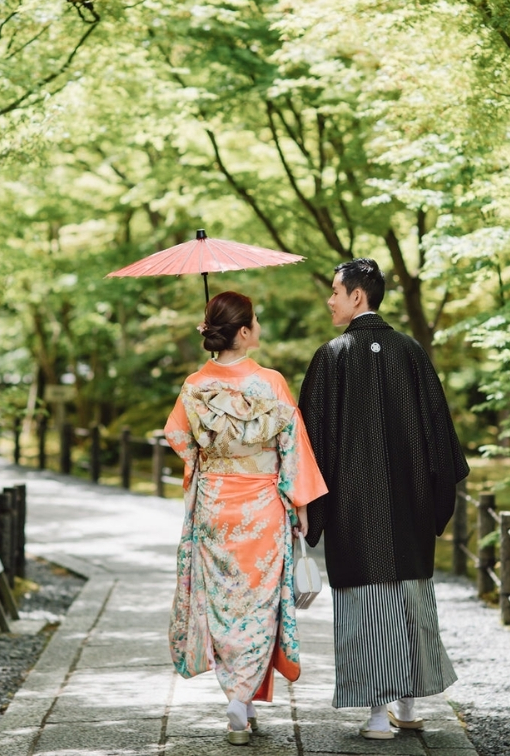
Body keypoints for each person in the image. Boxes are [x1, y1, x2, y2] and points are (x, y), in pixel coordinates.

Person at [299, 258, 470, 739]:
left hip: (355, 513)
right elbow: (442, 440)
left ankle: (377, 716)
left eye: (335, 291)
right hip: (410, 508)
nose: (330, 299)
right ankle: (410, 708)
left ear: (358, 296)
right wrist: (435, 502)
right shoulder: (412, 352)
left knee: (364, 608)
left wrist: (310, 512)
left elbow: (310, 444)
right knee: (409, 603)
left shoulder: (332, 356)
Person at [165, 290, 329, 746]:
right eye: (254, 321)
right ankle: (241, 699)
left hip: (215, 505)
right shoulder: (270, 382)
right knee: (257, 606)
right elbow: (292, 448)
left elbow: (178, 436)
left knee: (223, 602)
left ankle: (239, 700)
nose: (258, 327)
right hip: (261, 507)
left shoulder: (195, 384)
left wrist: (213, 457)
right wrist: (300, 508)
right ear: (242, 331)